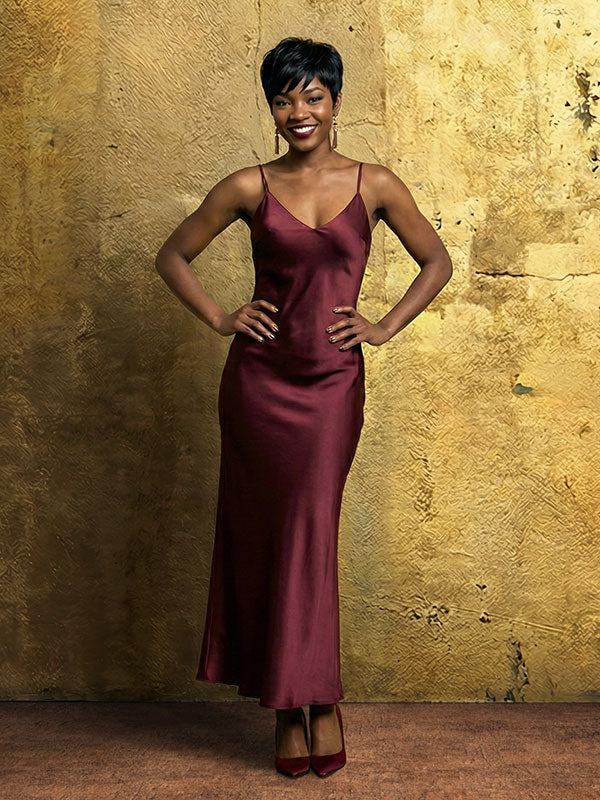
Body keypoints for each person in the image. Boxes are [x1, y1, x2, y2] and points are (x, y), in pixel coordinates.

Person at [155, 36, 452, 778]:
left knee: (307, 537)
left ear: (336, 101)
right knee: (268, 539)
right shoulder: (249, 186)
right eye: (284, 99)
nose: (298, 112)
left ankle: (317, 699)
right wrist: (222, 317)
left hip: (330, 388)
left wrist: (382, 324)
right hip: (258, 385)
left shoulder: (375, 183)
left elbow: (437, 259)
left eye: (312, 96)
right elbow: (172, 255)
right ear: (273, 107)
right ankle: (293, 708)